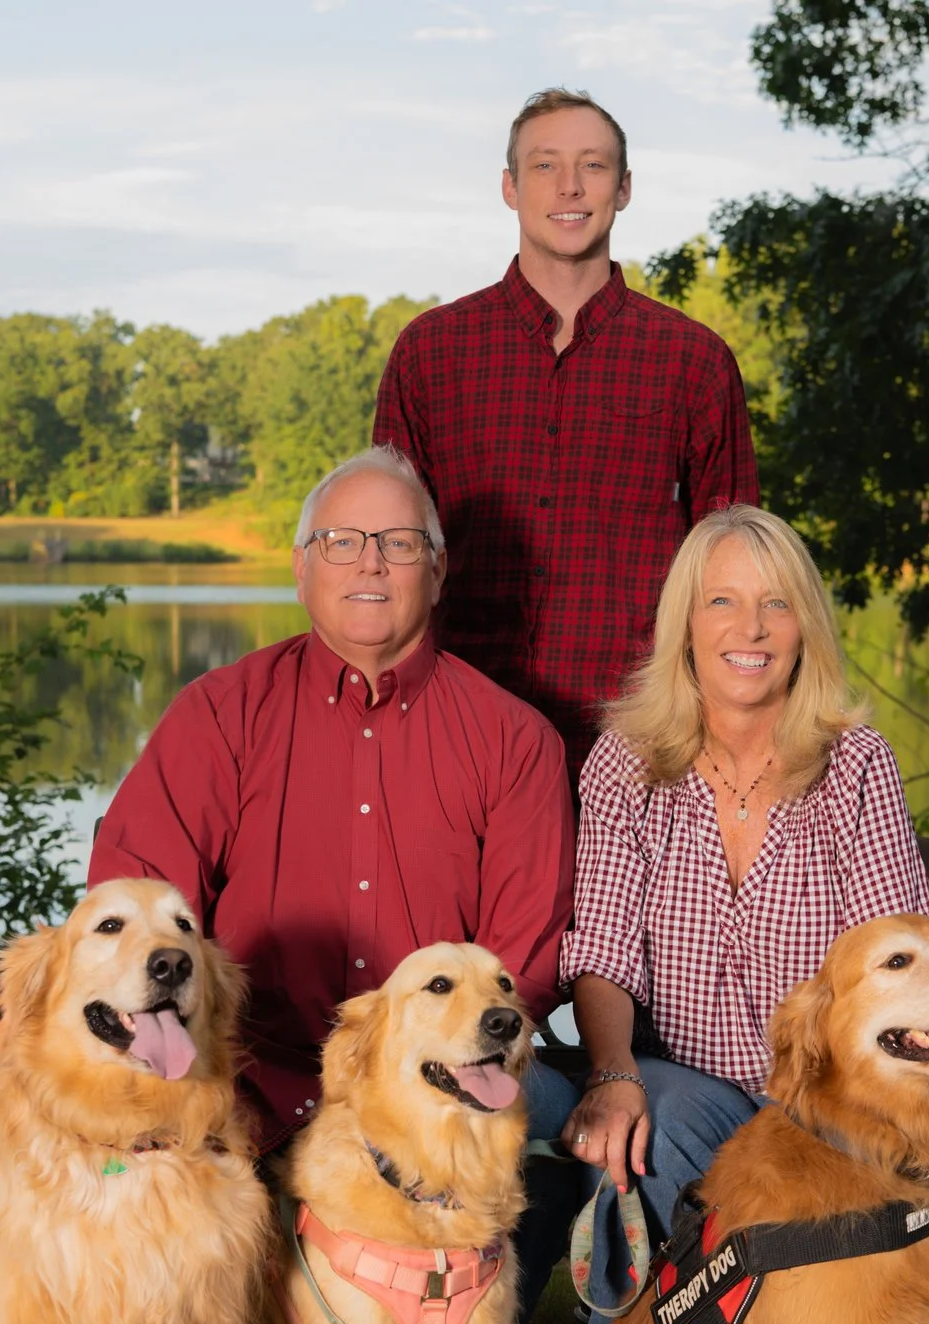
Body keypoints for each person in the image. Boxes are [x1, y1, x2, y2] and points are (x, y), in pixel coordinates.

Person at [517, 503, 929, 1324]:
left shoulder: (854, 764)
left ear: (804, 629)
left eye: (775, 605)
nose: (749, 629)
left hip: (825, 1092)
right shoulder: (628, 761)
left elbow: (893, 966)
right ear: (686, 626)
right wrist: (616, 1070)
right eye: (722, 602)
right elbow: (603, 950)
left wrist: (830, 1100)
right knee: (649, 1125)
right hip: (689, 1085)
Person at [87, 447, 574, 1152]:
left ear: (437, 573)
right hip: (237, 1089)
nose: (369, 563)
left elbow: (518, 967)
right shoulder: (218, 716)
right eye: (341, 542)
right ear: (301, 568)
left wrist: (409, 1092)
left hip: (432, 1099)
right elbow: (134, 920)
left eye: (400, 544)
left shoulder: (516, 741)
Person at [373, 87, 758, 758]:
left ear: (625, 188)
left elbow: (737, 574)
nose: (570, 186)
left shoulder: (693, 362)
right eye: (546, 165)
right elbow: (387, 554)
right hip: (458, 733)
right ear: (510, 187)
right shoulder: (431, 353)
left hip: (642, 736)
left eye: (594, 165)